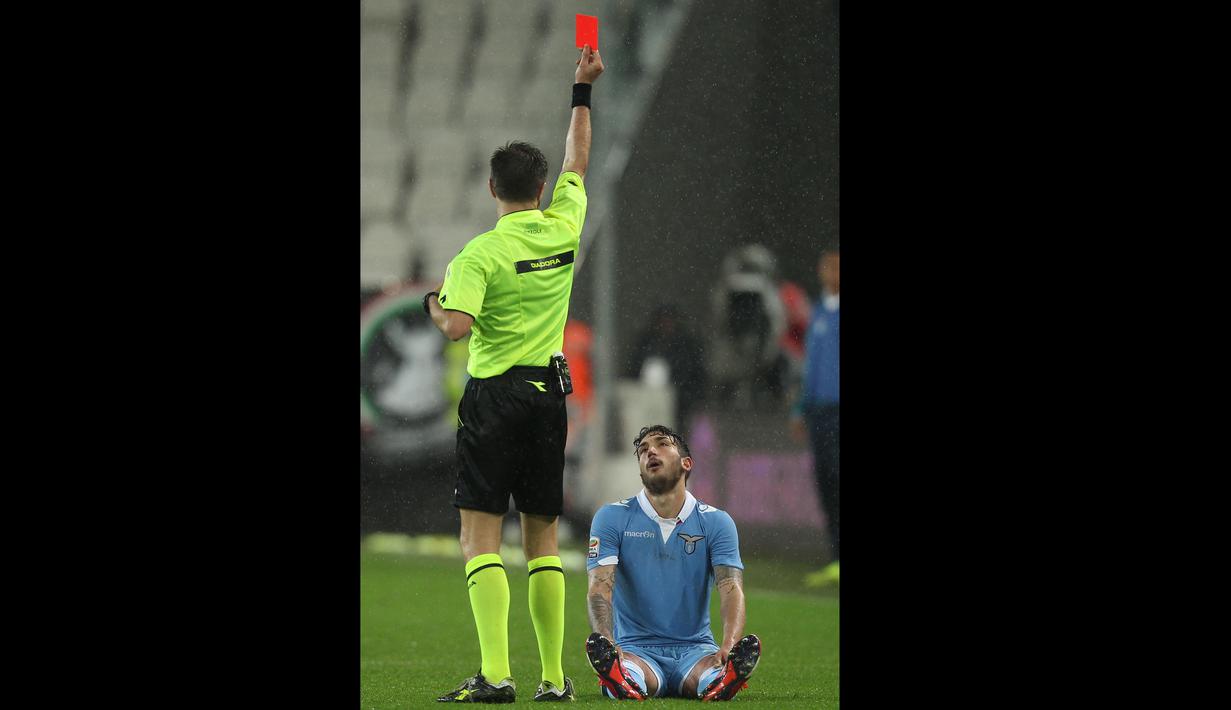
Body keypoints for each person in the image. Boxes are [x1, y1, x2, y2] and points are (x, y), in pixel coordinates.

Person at [426, 44, 605, 704]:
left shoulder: (478, 254)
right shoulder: (563, 225)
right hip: (546, 394)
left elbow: (456, 327)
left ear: (489, 189)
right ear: (540, 189)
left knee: (479, 535)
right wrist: (579, 91)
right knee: (543, 538)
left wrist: (432, 303)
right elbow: (578, 159)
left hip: (494, 395)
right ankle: (555, 681)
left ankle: (496, 674)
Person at [584, 425, 762, 701]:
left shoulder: (717, 522)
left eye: (662, 444)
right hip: (634, 648)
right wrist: (606, 639)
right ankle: (620, 674)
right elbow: (599, 587)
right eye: (643, 450)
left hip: (696, 649)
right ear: (641, 469)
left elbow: (730, 587)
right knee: (632, 673)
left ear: (686, 463)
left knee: (708, 675)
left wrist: (729, 644)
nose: (650, 451)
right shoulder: (611, 518)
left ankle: (723, 677)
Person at [789, 250, 840, 587]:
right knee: (827, 483)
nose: (830, 271)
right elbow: (811, 368)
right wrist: (800, 409)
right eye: (826, 265)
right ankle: (836, 557)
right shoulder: (820, 311)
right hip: (820, 412)